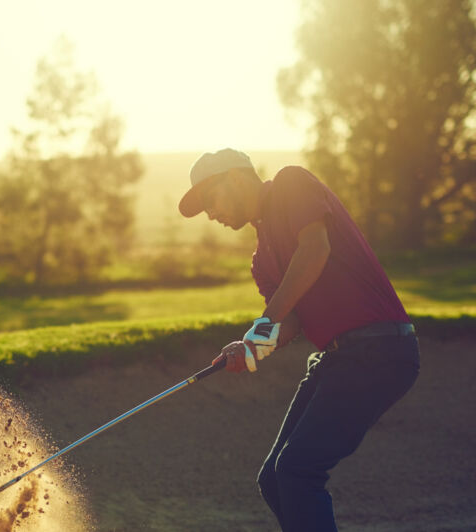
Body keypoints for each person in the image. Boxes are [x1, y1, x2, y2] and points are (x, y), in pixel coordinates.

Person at [178, 148, 420, 531]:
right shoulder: (261, 260)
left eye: (210, 199)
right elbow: (290, 321)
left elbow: (314, 250)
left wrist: (261, 328)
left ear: (237, 177)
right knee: (274, 478)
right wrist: (251, 347)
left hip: (380, 349)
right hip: (339, 359)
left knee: (297, 470)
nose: (210, 213)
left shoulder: (291, 184)